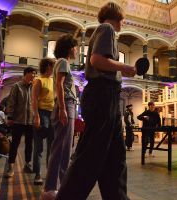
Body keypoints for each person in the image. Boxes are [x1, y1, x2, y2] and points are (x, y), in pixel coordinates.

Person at [54, 2, 135, 199]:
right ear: (116, 16)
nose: (123, 22)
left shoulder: (104, 32)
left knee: (115, 158)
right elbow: (97, 60)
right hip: (103, 95)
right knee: (90, 155)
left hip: (108, 96)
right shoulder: (106, 28)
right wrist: (125, 67)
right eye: (123, 18)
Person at [41, 34, 78, 197]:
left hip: (66, 105)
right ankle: (50, 188)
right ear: (70, 48)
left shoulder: (61, 63)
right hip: (65, 105)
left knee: (63, 149)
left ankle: (61, 186)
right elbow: (59, 85)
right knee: (60, 149)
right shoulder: (63, 62)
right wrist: (63, 108)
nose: (76, 50)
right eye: (75, 47)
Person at [4, 67, 37, 178]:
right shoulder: (17, 86)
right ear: (26, 74)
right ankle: (11, 167)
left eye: (35, 74)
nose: (34, 75)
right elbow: (11, 102)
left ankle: (27, 164)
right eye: (32, 73)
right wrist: (10, 117)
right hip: (18, 120)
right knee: (15, 144)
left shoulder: (34, 87)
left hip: (30, 121)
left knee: (29, 144)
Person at [32, 58, 55, 185]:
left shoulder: (53, 80)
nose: (54, 69)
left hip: (52, 114)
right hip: (41, 113)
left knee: (52, 146)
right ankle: (38, 174)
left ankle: (50, 172)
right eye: (52, 66)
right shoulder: (38, 80)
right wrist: (36, 116)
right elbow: (34, 99)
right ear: (47, 66)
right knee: (39, 147)